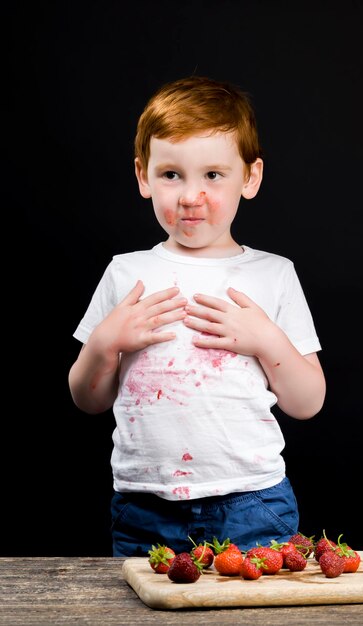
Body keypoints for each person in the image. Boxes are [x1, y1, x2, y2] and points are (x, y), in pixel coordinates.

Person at [68, 75, 326, 557]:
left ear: (249, 178)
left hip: (252, 499)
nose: (191, 195)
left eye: (213, 175)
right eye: (171, 175)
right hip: (145, 506)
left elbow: (308, 401)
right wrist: (104, 345)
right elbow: (88, 399)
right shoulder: (128, 273)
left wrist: (267, 341)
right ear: (143, 176)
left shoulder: (273, 274)